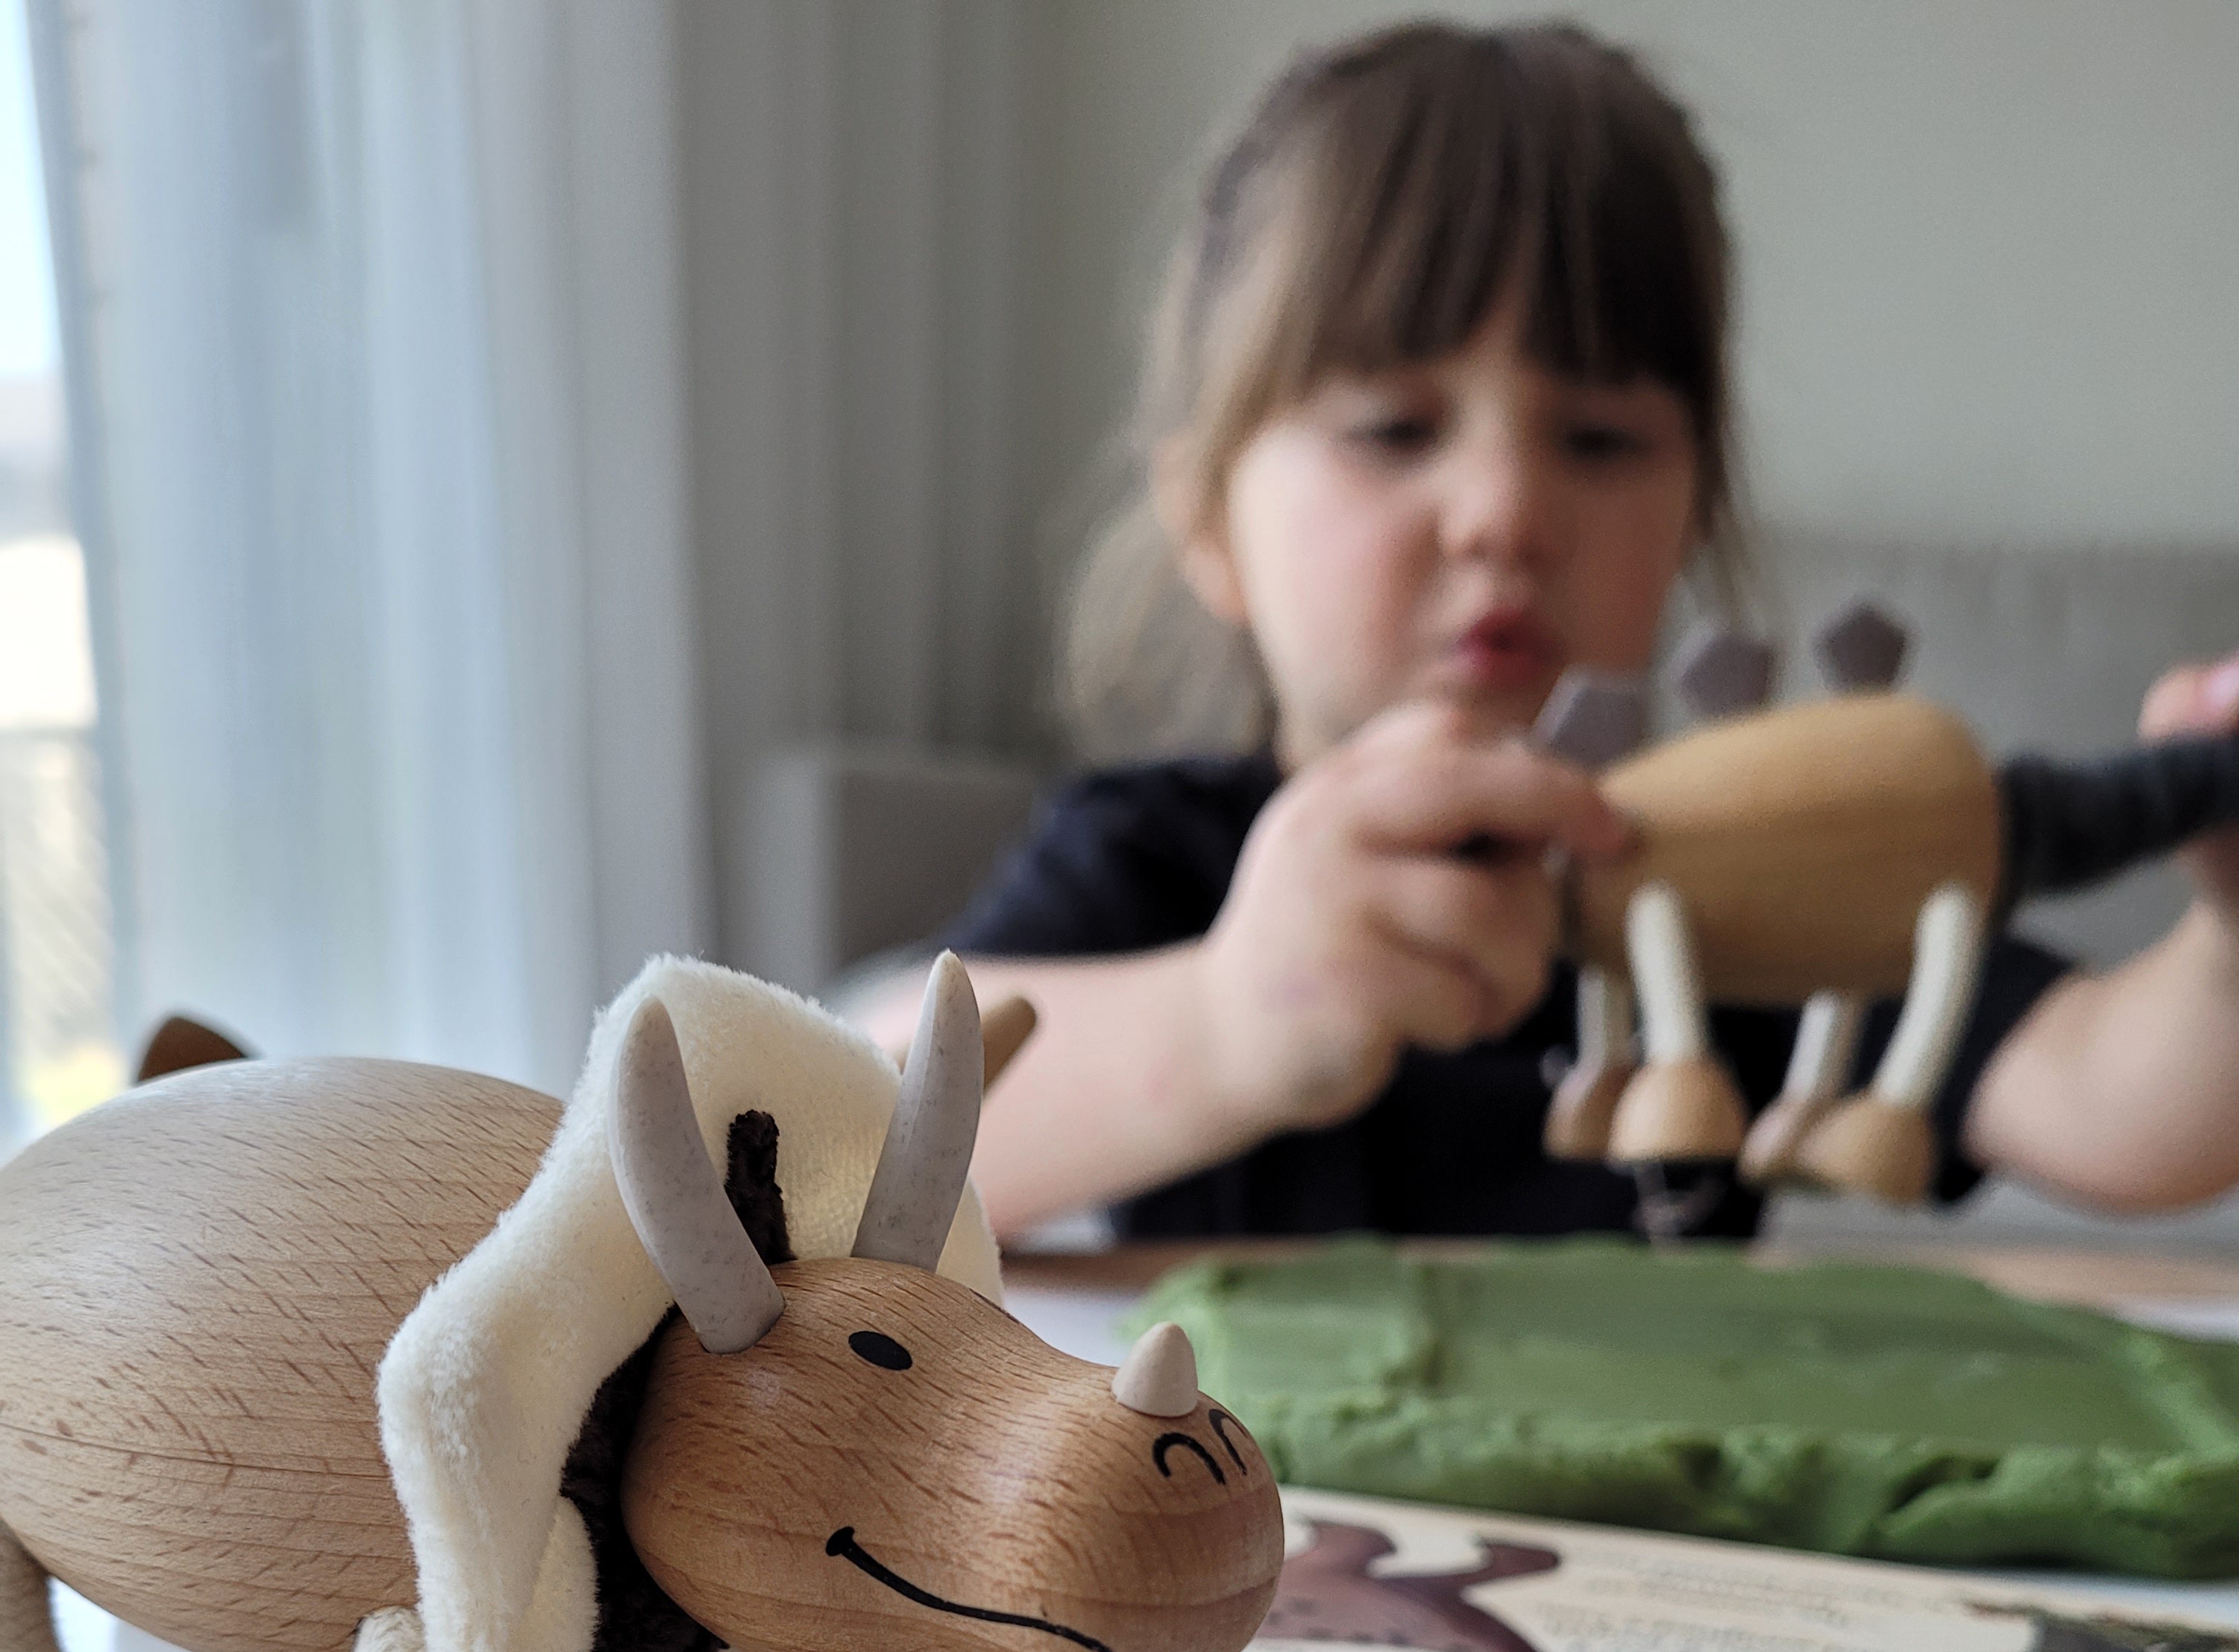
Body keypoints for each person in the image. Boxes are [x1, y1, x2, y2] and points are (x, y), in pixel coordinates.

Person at [867, 19, 2239, 1245]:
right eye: (1394, 431)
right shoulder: (1154, 860)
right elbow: (840, 1134)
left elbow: (2126, 1115)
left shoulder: (1763, 875)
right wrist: (1222, 1021)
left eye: (1599, 439)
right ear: (1210, 525)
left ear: (1691, 515)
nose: (1506, 513)